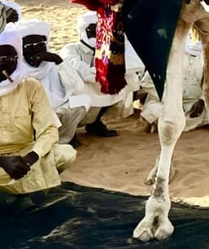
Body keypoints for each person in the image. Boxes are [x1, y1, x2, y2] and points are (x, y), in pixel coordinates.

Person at [0, 28, 77, 196]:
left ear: (17, 59)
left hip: (24, 153)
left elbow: (49, 130)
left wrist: (31, 157)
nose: (1, 64)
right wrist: (3, 161)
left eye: (7, 58)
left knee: (66, 153)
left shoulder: (30, 86)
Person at [58, 11, 139, 136]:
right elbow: (84, 73)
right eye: (93, 30)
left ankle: (95, 122)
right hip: (77, 92)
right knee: (77, 86)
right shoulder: (70, 49)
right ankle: (70, 131)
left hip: (97, 87)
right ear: (84, 31)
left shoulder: (109, 49)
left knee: (130, 79)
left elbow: (134, 63)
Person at [16, 20, 89, 145]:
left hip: (56, 107)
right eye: (29, 47)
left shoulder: (51, 64)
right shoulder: (16, 69)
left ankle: (63, 139)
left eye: (40, 45)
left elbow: (78, 87)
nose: (36, 51)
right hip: (29, 114)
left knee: (82, 101)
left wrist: (58, 61)